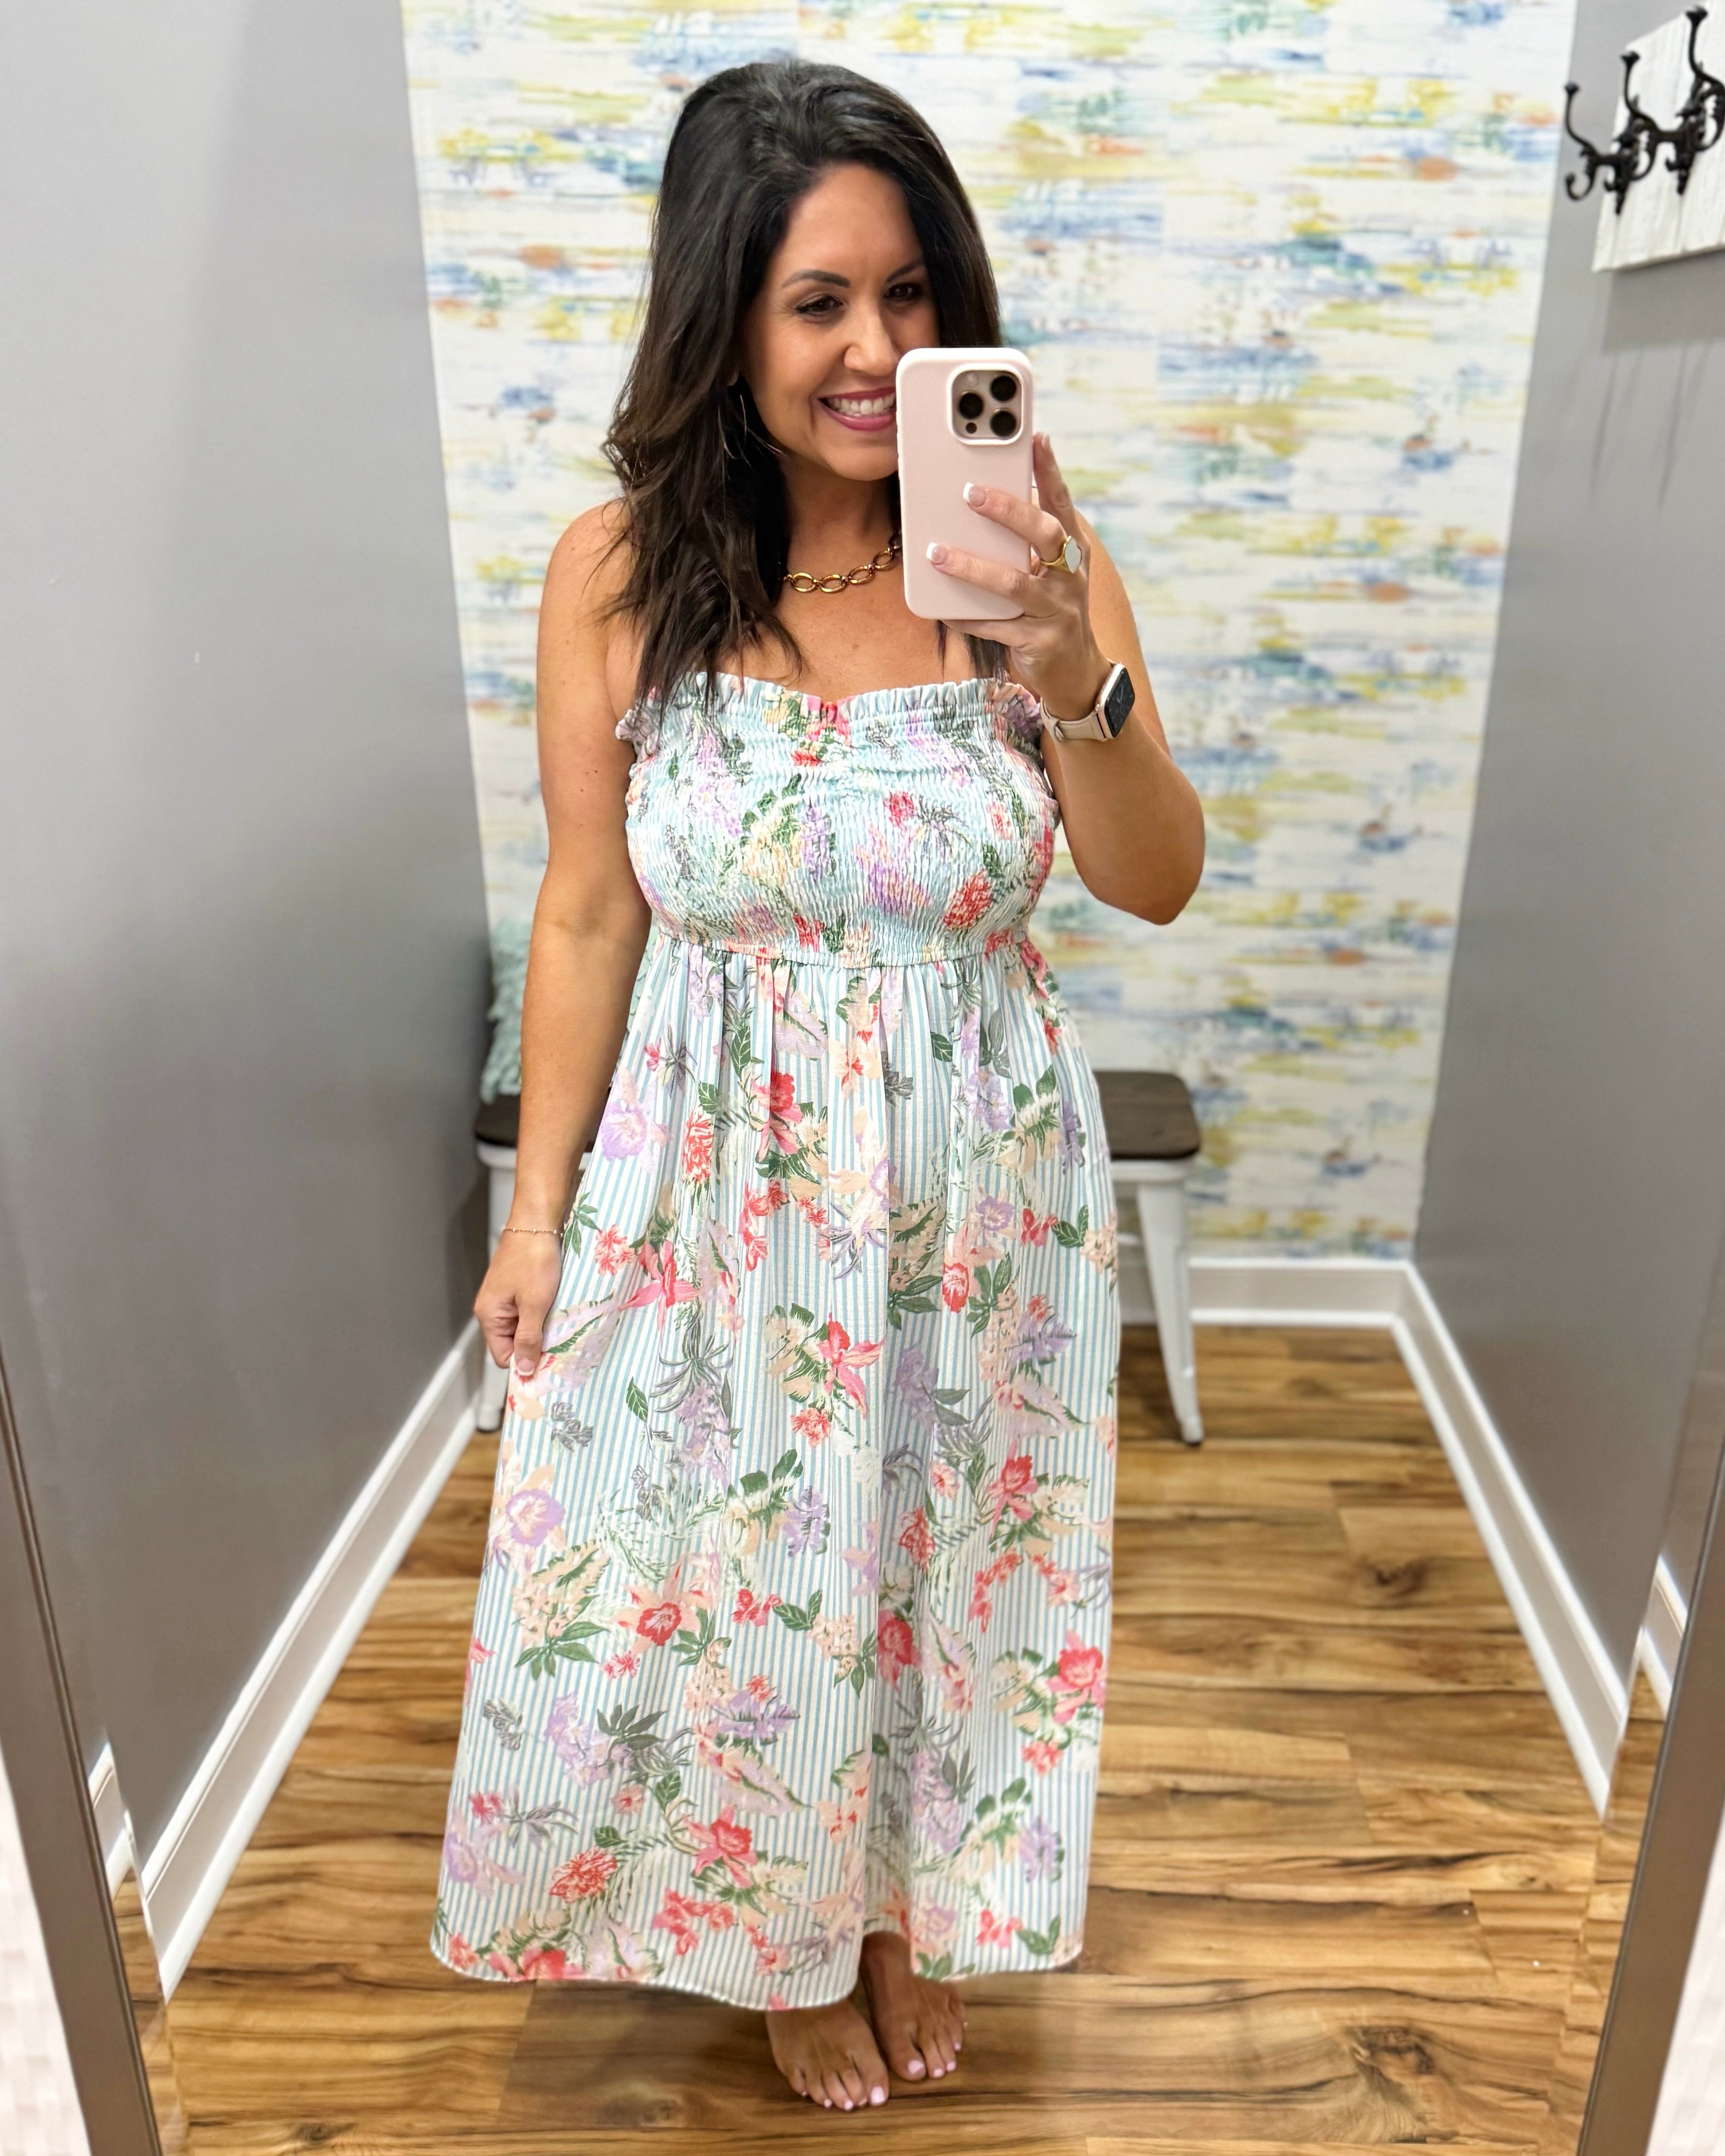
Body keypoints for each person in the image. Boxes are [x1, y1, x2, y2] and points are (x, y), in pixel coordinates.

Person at [432, 56, 1204, 2114]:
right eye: (817, 305)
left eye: (912, 295)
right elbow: (592, 915)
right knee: (738, 1567)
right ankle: (778, 1935)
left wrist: (1074, 675)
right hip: (715, 1182)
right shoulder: (616, 574)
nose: (880, 352)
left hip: (978, 1176)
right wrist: (537, 1217)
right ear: (724, 322)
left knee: (944, 1563)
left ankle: (891, 1909)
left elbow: (1152, 878)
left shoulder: (1031, 556)